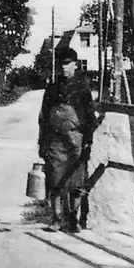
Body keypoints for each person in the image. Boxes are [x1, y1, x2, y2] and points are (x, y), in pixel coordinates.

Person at [37, 46, 97, 232]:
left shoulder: (82, 89)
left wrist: (88, 140)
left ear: (75, 65)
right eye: (60, 64)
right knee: (55, 178)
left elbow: (90, 116)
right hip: (55, 140)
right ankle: (56, 218)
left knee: (76, 181)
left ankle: (73, 218)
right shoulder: (52, 89)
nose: (63, 67)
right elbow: (43, 116)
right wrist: (42, 141)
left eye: (67, 63)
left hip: (75, 139)